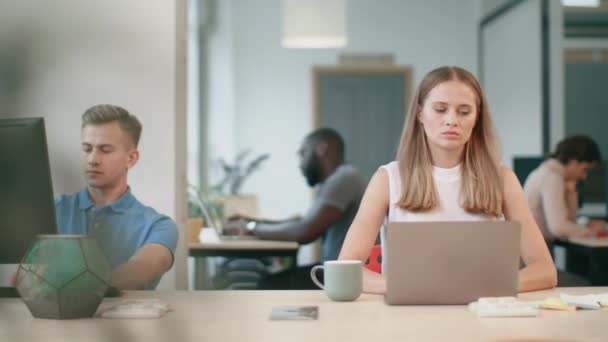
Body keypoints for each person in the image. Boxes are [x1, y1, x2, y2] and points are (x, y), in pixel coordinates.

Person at [338, 66, 557, 294]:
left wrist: (489, 288)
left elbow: (545, 270)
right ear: (420, 114)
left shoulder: (502, 179)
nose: (451, 120)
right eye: (440, 109)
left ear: (476, 118)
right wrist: (410, 287)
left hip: (483, 316)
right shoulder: (387, 179)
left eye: (464, 112)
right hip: (408, 318)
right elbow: (346, 269)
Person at [12, 104, 178, 290]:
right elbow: (22, 278)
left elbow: (138, 273)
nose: (92, 159)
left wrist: (64, 287)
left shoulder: (159, 226)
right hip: (51, 319)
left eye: (105, 150)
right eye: (87, 149)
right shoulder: (50, 211)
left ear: (131, 159)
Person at [224, 128, 365, 288]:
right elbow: (302, 222)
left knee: (267, 284)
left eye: (303, 153)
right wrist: (250, 222)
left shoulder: (345, 178)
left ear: (321, 149)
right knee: (270, 280)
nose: (300, 164)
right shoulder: (333, 180)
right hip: (333, 272)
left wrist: (250, 228)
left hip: (339, 278)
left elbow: (305, 232)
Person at [524, 135, 605, 244]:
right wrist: (591, 231)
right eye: (584, 169)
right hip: (533, 253)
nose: (584, 177)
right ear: (573, 161)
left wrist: (571, 192)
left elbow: (570, 221)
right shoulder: (551, 178)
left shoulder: (545, 173)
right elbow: (559, 228)